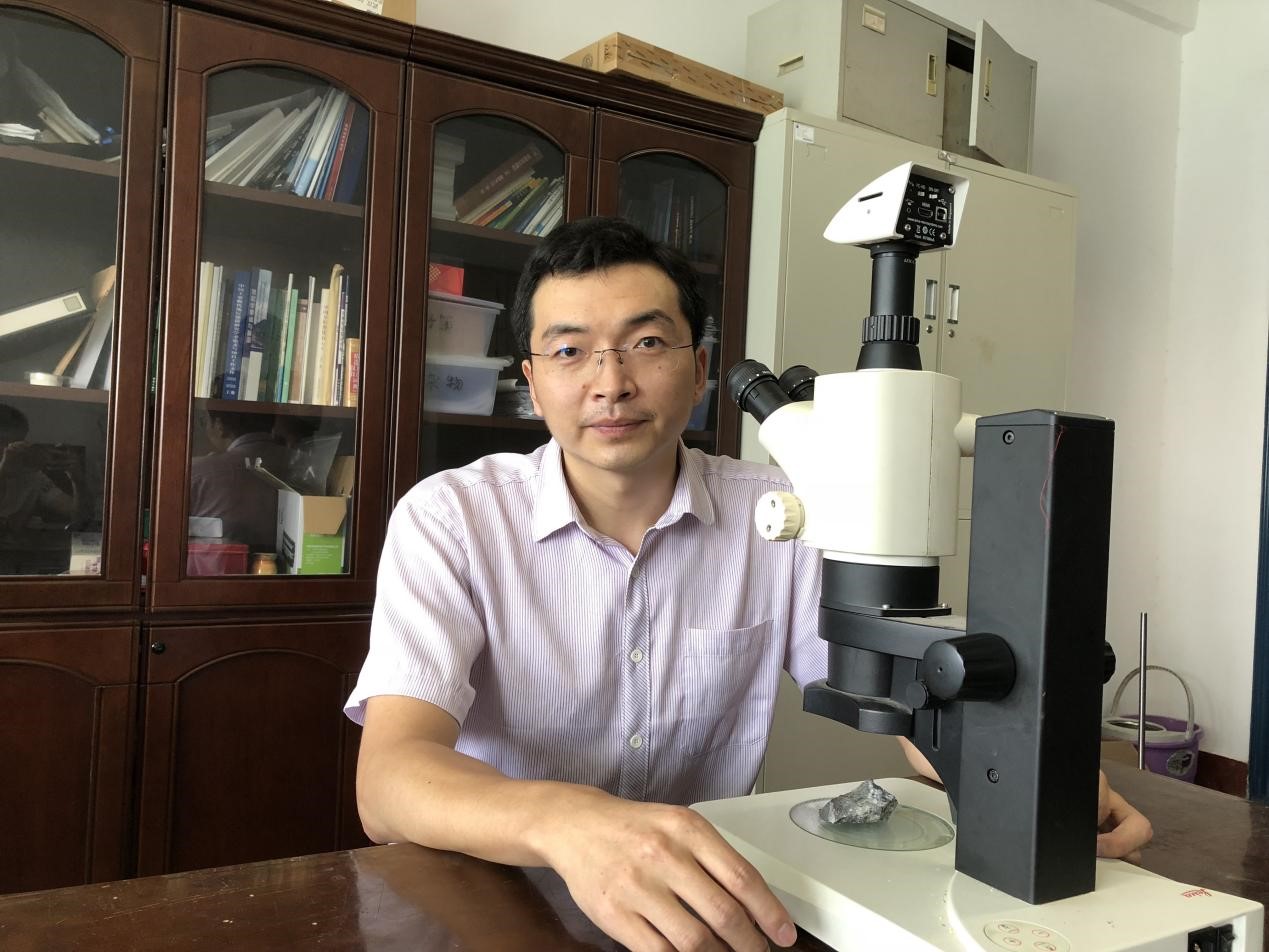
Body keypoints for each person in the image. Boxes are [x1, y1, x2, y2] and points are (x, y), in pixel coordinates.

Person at [346, 217, 1152, 952]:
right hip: (500, 902)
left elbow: (908, 701)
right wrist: (572, 824)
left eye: (646, 343)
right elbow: (388, 781)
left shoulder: (780, 514)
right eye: (569, 351)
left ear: (699, 368)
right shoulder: (451, 519)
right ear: (531, 377)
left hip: (700, 910)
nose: (610, 382)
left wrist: (1034, 778)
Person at [0, 402, 90, 575]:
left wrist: (77, 480)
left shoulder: (31, 476)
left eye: (15, 443)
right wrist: (4, 472)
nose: (8, 450)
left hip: (13, 564)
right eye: (2, 443)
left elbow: (78, 517)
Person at [189, 408, 287, 550]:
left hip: (217, 562)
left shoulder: (196, 471)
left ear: (219, 426)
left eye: (205, 421)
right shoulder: (301, 463)